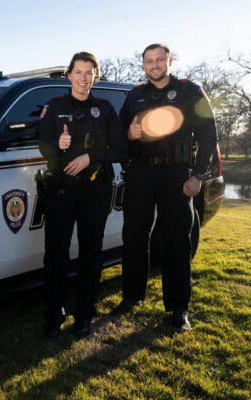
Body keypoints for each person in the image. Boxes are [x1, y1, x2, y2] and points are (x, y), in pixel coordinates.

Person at [113, 44, 218, 331]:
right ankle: (131, 298)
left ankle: (178, 308)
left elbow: (209, 136)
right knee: (134, 237)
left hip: (176, 175)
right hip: (141, 173)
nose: (155, 65)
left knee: (176, 240)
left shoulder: (189, 91)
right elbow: (119, 137)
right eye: (149, 61)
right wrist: (128, 133)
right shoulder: (135, 95)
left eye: (160, 59)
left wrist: (197, 175)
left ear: (169, 61)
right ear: (144, 65)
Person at [38, 52, 127, 338]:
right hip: (59, 192)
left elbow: (121, 150)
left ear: (96, 77)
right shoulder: (53, 107)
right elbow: (43, 146)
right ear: (69, 75)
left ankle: (84, 314)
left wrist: (91, 157)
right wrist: (57, 143)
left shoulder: (106, 109)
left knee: (91, 254)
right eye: (78, 72)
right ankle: (54, 314)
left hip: (94, 193)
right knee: (56, 256)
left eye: (89, 73)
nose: (83, 78)